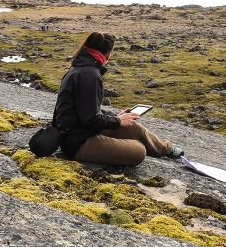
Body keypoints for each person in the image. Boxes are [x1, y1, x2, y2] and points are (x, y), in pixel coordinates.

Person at [52, 32, 184, 166]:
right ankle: (141, 147)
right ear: (108, 55)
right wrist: (117, 120)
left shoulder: (80, 67)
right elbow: (89, 119)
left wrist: (115, 116)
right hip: (78, 142)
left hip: (79, 132)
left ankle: (166, 148)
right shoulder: (90, 75)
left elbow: (85, 109)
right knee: (138, 151)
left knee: (134, 128)